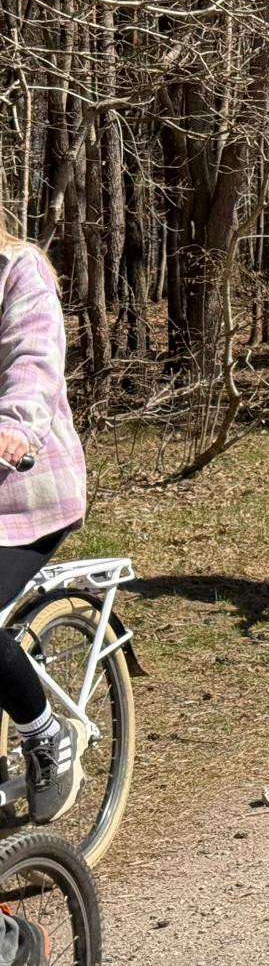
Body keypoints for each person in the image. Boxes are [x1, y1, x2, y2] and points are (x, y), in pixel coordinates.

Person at [0, 225, 89, 825]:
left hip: (25, 491)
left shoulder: (19, 270)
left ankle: (44, 732)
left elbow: (33, 363)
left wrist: (13, 427)